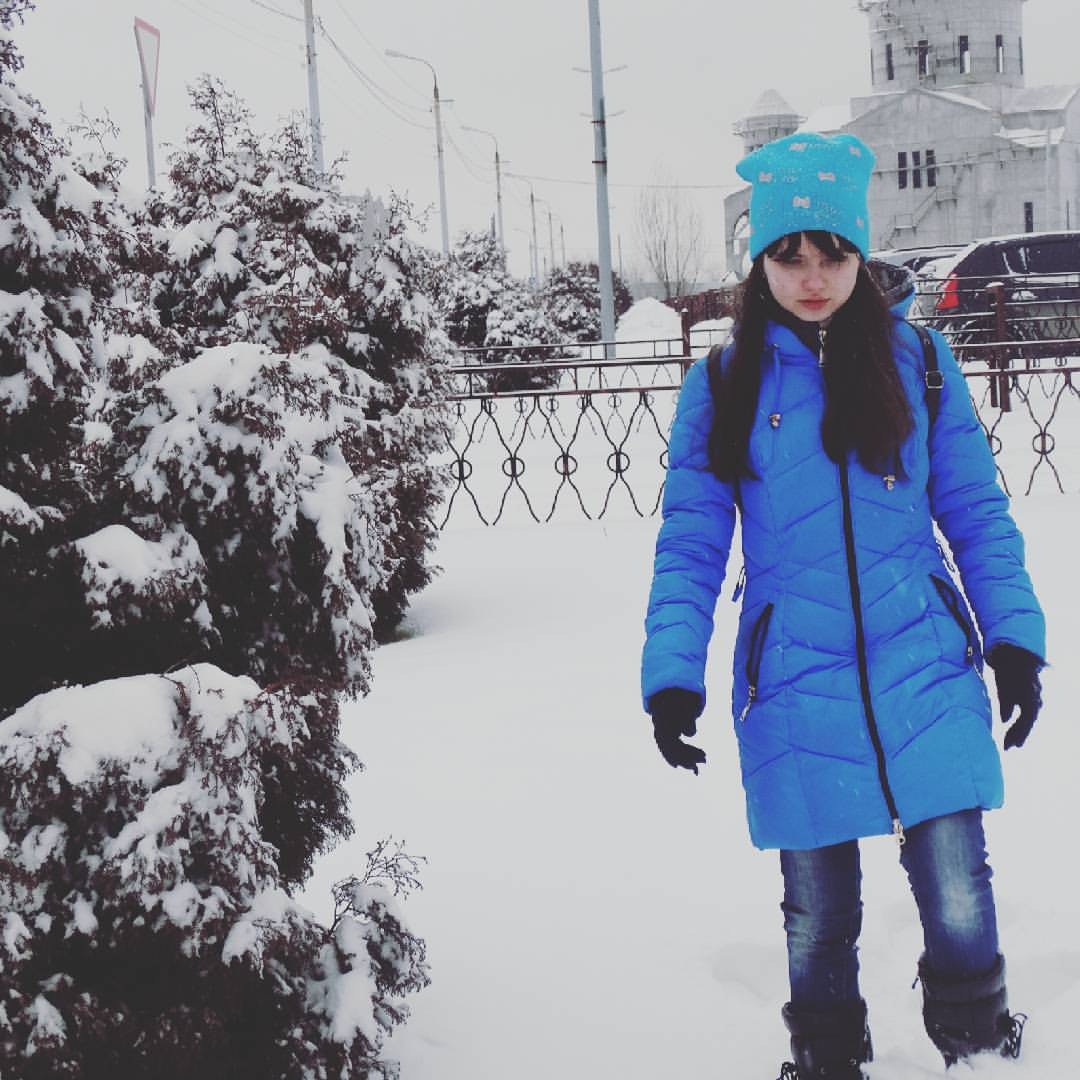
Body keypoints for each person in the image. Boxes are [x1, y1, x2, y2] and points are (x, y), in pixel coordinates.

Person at [640, 132, 1046, 1080]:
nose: (812, 276)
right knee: (818, 913)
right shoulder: (724, 384)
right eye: (789, 255)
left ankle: (978, 1047)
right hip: (793, 675)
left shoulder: (922, 364)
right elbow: (691, 541)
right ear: (760, 262)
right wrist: (671, 675)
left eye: (831, 252)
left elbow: (976, 512)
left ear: (860, 254)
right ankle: (825, 1058)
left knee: (958, 889)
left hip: (923, 659)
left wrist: (1014, 639)